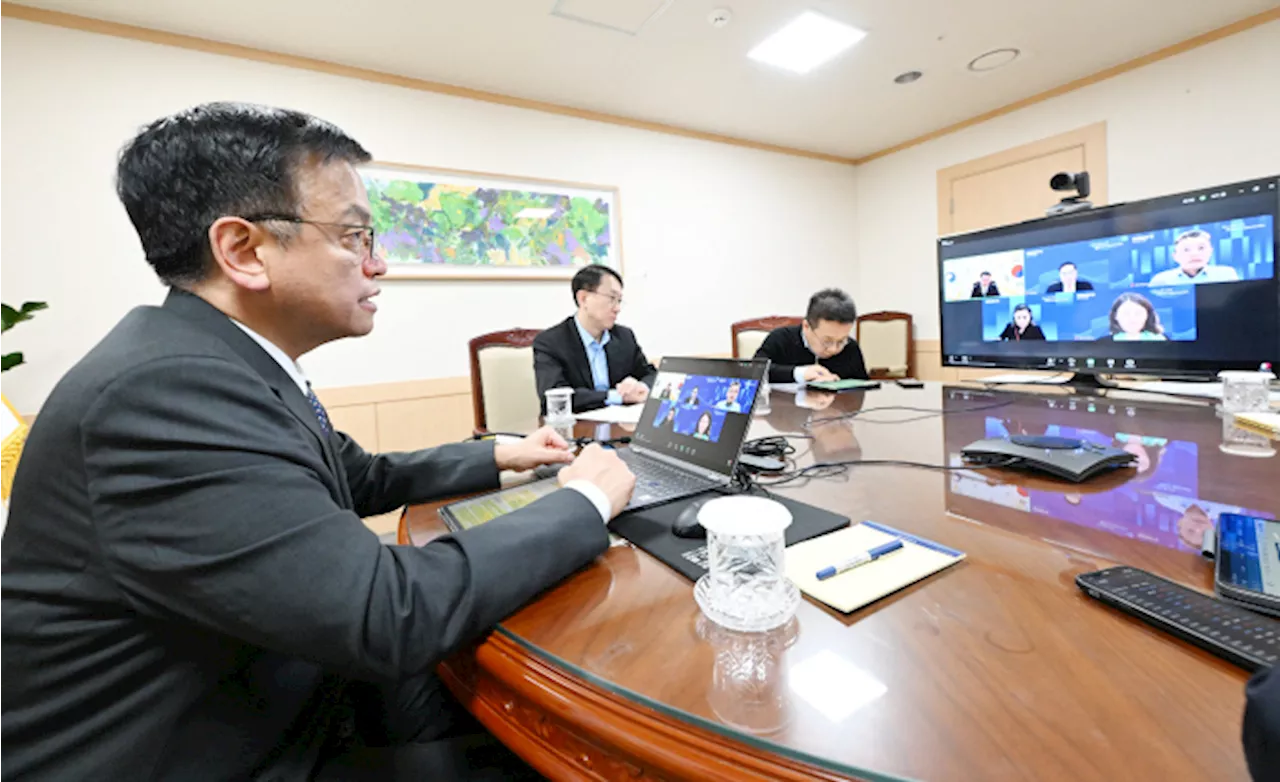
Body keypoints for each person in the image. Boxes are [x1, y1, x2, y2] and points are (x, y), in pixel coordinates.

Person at [0, 103, 639, 782]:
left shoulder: (209, 358)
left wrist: (497, 454)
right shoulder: (161, 393)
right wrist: (582, 504)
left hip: (280, 679)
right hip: (220, 745)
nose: (380, 263)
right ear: (243, 250)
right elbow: (386, 613)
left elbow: (354, 474)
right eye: (354, 236)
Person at [533, 265, 657, 413]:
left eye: (619, 300)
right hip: (575, 429)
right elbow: (555, 396)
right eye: (612, 298)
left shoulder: (624, 336)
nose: (617, 308)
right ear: (583, 299)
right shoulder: (550, 342)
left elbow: (650, 374)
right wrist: (617, 396)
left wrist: (641, 387)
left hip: (620, 427)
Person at [753, 288, 870, 384]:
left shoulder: (850, 348)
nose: (834, 349)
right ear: (806, 326)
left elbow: (863, 388)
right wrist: (800, 373)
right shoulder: (781, 339)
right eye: (827, 341)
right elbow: (755, 371)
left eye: (841, 341)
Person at [1149, 229, 1240, 285]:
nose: (1195, 254)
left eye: (1201, 248)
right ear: (1175, 256)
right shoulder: (1161, 280)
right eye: (1186, 250)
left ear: (1210, 252)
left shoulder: (1226, 274)